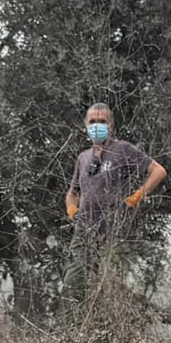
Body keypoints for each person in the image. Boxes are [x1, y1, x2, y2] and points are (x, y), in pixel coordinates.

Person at [65, 103, 164, 243]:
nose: (96, 126)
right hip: (84, 230)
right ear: (86, 125)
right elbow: (73, 192)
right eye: (92, 122)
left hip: (115, 228)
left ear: (110, 126)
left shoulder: (123, 149)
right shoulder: (83, 157)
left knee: (114, 265)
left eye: (102, 122)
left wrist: (134, 198)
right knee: (76, 265)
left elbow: (158, 171)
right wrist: (72, 211)